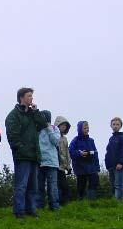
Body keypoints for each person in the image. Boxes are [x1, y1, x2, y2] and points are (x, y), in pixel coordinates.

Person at [5, 87, 47, 219]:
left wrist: (36, 112)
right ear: (21, 97)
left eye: (32, 96)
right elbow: (12, 136)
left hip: (34, 155)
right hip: (22, 155)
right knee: (21, 185)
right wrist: (21, 148)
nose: (31, 98)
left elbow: (43, 125)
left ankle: (31, 209)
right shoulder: (13, 115)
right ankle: (19, 211)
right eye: (29, 96)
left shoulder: (32, 113)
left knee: (33, 185)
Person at [69, 121, 100, 200]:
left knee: (94, 183)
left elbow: (95, 153)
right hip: (80, 167)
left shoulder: (91, 140)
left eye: (88, 128)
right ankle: (80, 202)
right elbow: (71, 152)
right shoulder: (75, 141)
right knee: (81, 185)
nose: (87, 130)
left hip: (92, 167)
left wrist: (97, 167)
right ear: (80, 129)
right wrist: (80, 154)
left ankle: (92, 202)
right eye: (85, 128)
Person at [37, 110, 61, 210]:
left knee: (52, 186)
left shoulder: (55, 128)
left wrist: (49, 128)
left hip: (52, 162)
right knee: (39, 186)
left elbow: (56, 141)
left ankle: (54, 206)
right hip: (40, 161)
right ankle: (40, 206)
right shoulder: (37, 129)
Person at [105, 117, 123, 200]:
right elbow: (108, 152)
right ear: (111, 126)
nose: (115, 126)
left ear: (120, 126)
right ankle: (114, 204)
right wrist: (107, 164)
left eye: (117, 124)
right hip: (111, 166)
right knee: (113, 186)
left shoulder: (122, 137)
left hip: (119, 166)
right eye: (113, 124)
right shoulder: (111, 138)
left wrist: (121, 163)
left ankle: (119, 204)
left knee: (119, 185)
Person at [53, 116, 73, 205]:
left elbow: (67, 153)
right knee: (58, 187)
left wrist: (68, 166)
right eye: (62, 125)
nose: (64, 127)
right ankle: (58, 204)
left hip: (62, 166)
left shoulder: (65, 139)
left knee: (65, 187)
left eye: (65, 125)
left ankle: (64, 204)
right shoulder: (54, 137)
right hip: (55, 165)